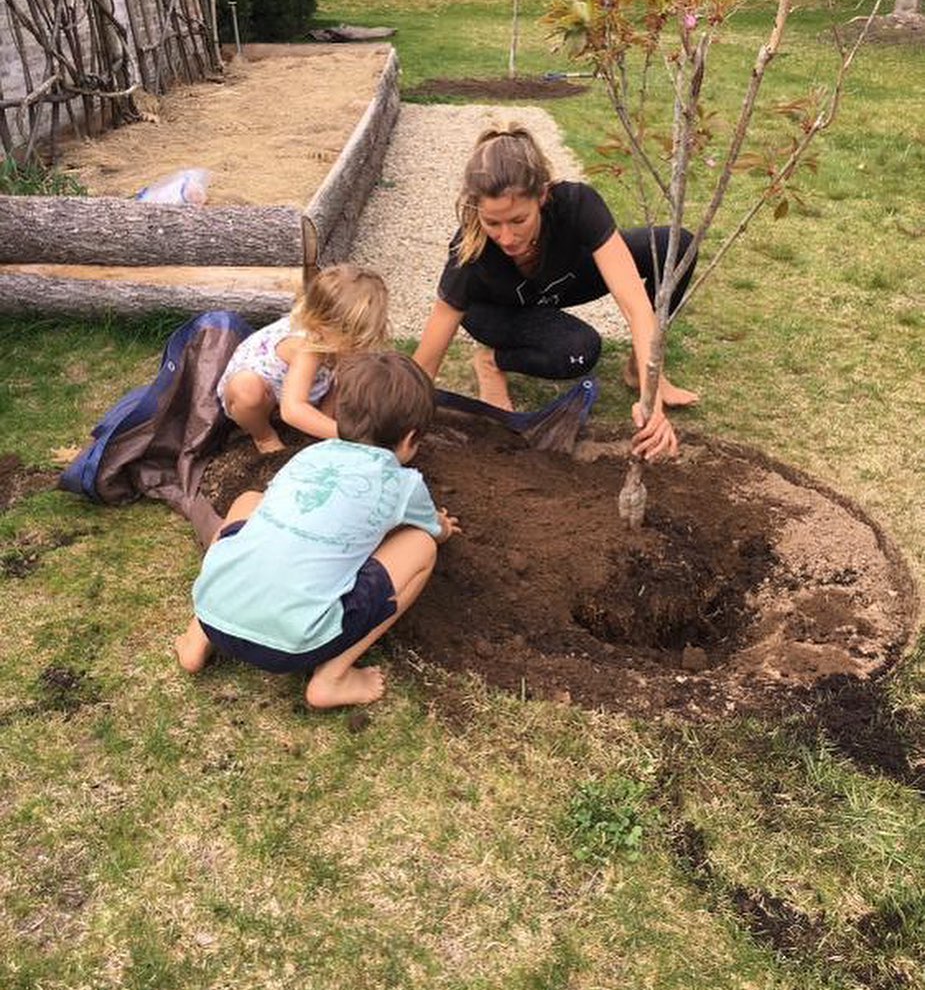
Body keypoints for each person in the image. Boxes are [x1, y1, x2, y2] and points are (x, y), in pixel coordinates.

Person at [175, 351, 460, 708]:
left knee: (250, 500)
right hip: (293, 645)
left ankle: (196, 638)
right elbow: (433, 530)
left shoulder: (310, 455)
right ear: (411, 438)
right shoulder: (404, 484)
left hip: (214, 610)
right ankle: (332, 678)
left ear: (338, 414)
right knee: (420, 545)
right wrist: (443, 527)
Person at [413, 123, 699, 461]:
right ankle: (491, 361)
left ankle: (638, 369)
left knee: (675, 246)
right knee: (578, 351)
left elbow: (635, 305)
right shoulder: (468, 254)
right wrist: (396, 425)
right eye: (493, 223)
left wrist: (651, 397)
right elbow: (424, 365)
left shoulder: (577, 204)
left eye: (518, 220)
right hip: (497, 311)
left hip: (557, 283)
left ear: (543, 196)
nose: (506, 238)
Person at [217, 263, 389, 453]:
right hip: (265, 396)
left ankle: (319, 424)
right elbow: (292, 410)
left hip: (305, 387)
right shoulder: (307, 348)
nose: (358, 343)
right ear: (323, 324)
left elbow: (342, 378)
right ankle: (264, 437)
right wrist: (348, 436)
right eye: (354, 335)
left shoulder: (337, 339)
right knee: (246, 391)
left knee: (348, 369)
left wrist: (327, 423)